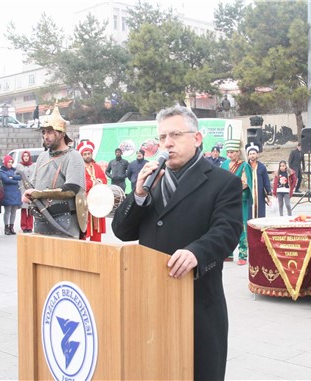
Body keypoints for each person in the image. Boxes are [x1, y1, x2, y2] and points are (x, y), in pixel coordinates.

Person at [112, 105, 243, 381]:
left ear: (196, 139)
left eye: (175, 135)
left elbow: (227, 230)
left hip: (198, 303)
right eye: (161, 138)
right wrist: (137, 194)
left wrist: (197, 252)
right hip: (150, 301)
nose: (167, 143)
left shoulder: (223, 182)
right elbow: (122, 232)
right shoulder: (151, 180)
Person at [21, 106, 85, 238]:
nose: (45, 136)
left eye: (50, 132)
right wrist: (28, 194)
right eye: (44, 132)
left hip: (64, 220)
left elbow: (71, 189)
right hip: (41, 220)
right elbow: (33, 185)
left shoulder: (73, 156)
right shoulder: (42, 157)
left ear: (61, 133)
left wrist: (38, 194)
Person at [221, 139, 252, 265]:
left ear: (238, 152)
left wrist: (232, 189)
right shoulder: (224, 164)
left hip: (240, 200)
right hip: (225, 200)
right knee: (226, 225)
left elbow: (246, 183)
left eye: (232, 152)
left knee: (241, 226)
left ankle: (243, 255)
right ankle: (227, 253)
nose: (229, 155)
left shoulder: (244, 166)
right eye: (228, 152)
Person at [78, 140, 107, 242]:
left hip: (97, 202)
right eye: (85, 154)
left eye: (89, 153)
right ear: (82, 155)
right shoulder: (79, 168)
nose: (87, 156)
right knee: (84, 226)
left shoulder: (97, 167)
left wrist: (99, 181)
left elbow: (104, 179)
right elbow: (80, 181)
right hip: (85, 202)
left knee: (97, 229)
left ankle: (97, 249)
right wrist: (92, 183)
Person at [246, 142, 271, 219]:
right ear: (248, 155)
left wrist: (269, 192)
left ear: (257, 154)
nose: (252, 155)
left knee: (260, 215)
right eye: (250, 154)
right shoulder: (245, 166)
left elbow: (266, 180)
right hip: (248, 194)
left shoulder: (262, 167)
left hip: (259, 195)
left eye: (254, 153)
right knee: (248, 214)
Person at [0, 155, 22, 235]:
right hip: (7, 193)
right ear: (5, 162)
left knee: (13, 211)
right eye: (8, 162)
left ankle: (12, 227)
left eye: (11, 162)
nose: (10, 164)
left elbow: (20, 177)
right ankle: (6, 227)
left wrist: (12, 177)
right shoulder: (2, 171)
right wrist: (14, 180)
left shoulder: (14, 170)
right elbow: (6, 180)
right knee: (7, 211)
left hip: (15, 193)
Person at [16, 151, 35, 233]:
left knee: (31, 208)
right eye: (24, 156)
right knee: (24, 209)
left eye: (27, 156)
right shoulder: (19, 166)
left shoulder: (33, 166)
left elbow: (35, 176)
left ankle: (30, 226)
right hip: (22, 189)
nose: (26, 157)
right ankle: (24, 226)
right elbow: (17, 176)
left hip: (31, 188)